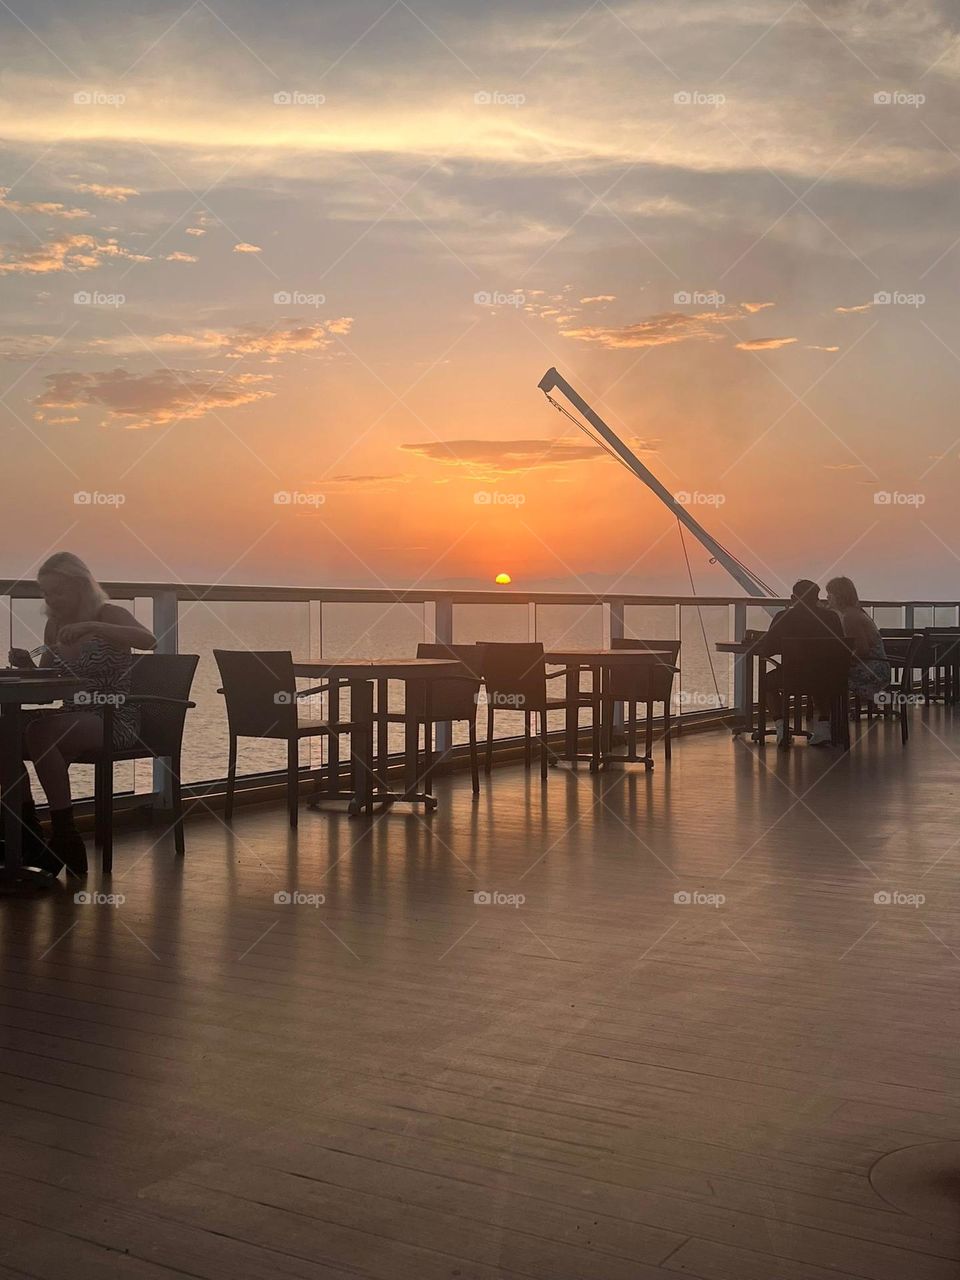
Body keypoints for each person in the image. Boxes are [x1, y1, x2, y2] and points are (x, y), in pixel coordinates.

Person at [8, 552, 157, 877]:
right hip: (71, 716)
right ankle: (28, 834)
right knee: (4, 734)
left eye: (57, 591)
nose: (51, 599)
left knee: (39, 734)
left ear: (79, 586)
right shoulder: (55, 626)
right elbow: (50, 677)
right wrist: (27, 667)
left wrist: (92, 625)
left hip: (111, 716)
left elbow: (149, 640)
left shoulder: (109, 614)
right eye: (46, 593)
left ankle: (64, 835)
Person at [756, 579, 844, 746]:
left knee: (767, 682)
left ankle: (781, 727)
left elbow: (767, 650)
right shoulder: (831, 617)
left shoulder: (783, 618)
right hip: (828, 677)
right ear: (817, 597)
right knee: (818, 677)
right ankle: (824, 727)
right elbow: (840, 647)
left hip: (792, 677)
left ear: (792, 598)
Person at [825, 576, 890, 708]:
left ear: (838, 596)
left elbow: (862, 649)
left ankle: (835, 714)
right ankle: (839, 714)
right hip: (879, 666)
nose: (827, 598)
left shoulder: (849, 617)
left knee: (829, 674)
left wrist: (842, 659)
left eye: (829, 594)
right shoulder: (856, 612)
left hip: (872, 669)